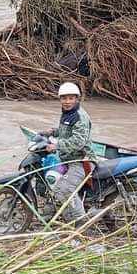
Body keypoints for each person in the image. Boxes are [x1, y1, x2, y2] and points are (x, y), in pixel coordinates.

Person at [39, 81, 93, 225]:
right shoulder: (68, 113)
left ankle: (82, 224)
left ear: (77, 99)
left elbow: (78, 142)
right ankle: (52, 213)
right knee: (52, 182)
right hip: (68, 158)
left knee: (64, 189)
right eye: (64, 98)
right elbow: (66, 132)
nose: (67, 101)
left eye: (71, 98)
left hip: (82, 160)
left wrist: (56, 145)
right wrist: (53, 131)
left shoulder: (80, 117)